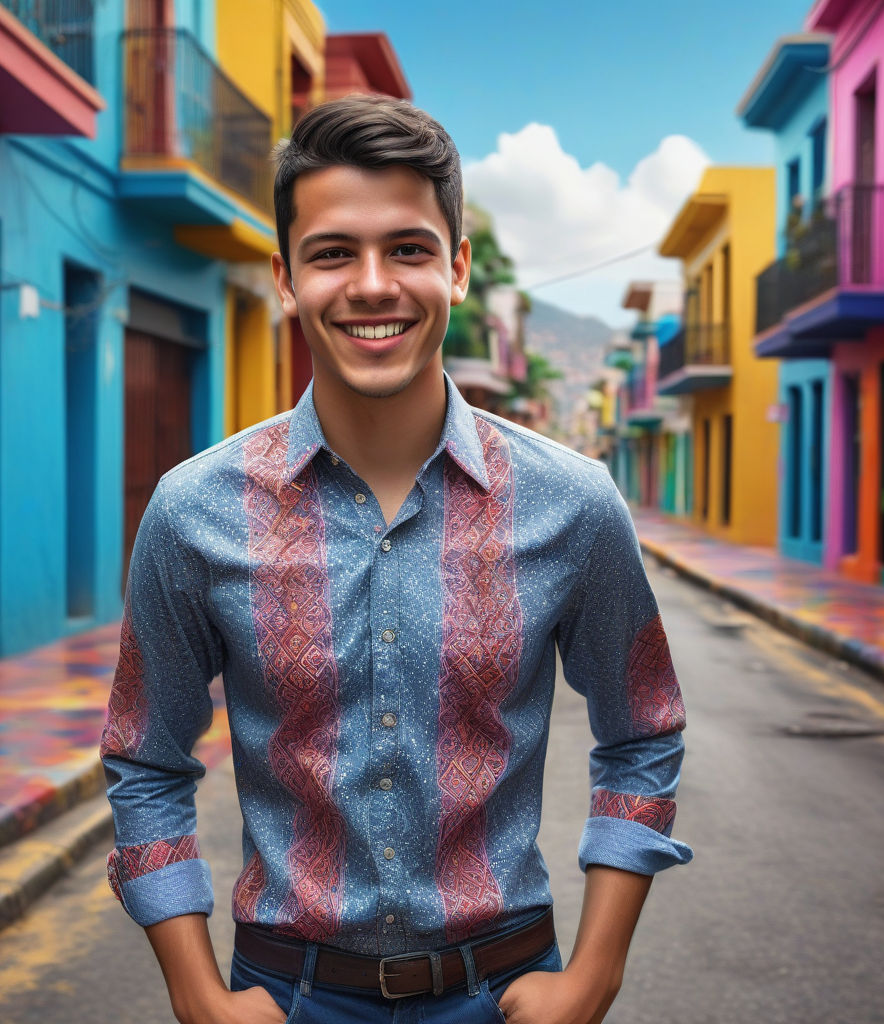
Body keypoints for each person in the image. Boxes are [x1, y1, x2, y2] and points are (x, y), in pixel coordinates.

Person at [101, 94, 691, 1024]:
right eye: (333, 252)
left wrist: (595, 977)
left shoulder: (572, 501)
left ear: (455, 270)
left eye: (408, 249)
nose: (373, 285)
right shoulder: (192, 511)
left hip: (501, 993)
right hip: (286, 994)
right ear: (287, 279)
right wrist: (197, 995)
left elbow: (642, 730)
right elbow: (146, 760)